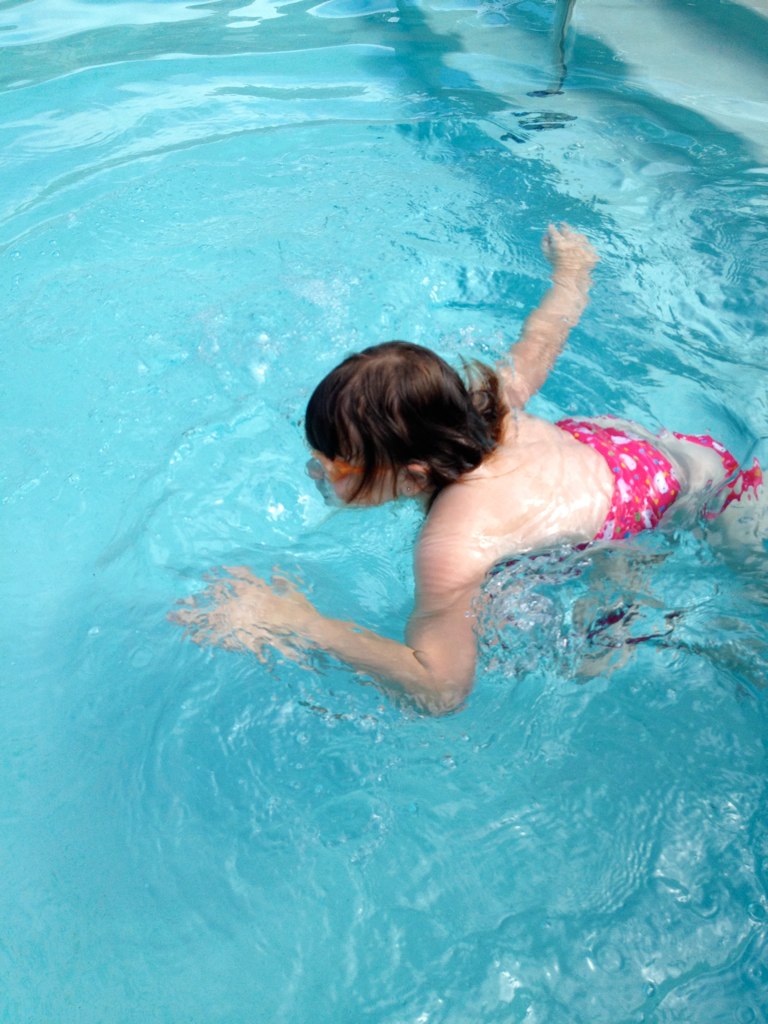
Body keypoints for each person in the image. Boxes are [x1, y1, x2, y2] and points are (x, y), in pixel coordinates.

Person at [172, 225, 764, 713]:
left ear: (414, 476)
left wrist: (297, 620)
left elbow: (442, 688)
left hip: (690, 504)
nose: (316, 472)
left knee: (590, 667)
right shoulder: (490, 406)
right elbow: (543, 336)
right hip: (669, 452)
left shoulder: (451, 542)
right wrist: (572, 273)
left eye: (339, 462)